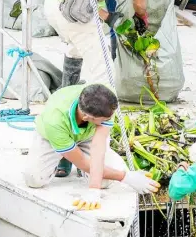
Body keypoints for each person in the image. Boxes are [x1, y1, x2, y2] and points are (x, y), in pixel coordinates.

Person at [23, 84, 161, 210]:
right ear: (86, 117)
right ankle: (63, 155)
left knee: (105, 182)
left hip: (87, 136)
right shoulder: (55, 121)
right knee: (34, 179)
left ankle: (67, 153)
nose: (110, 119)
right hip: (53, 137)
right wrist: (124, 177)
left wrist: (95, 186)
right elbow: (82, 162)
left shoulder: (107, 102)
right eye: (105, 120)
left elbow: (98, 147)